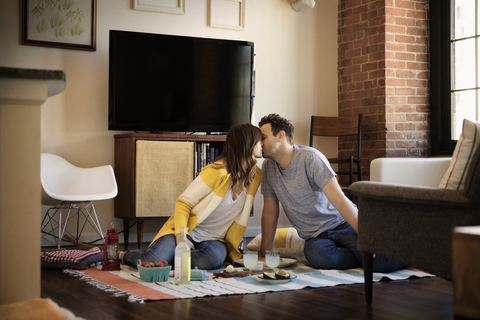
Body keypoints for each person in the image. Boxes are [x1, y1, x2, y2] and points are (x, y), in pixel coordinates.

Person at [258, 114, 403, 272]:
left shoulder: (311, 158)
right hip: (316, 238)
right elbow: (270, 212)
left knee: (381, 263)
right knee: (317, 256)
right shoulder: (268, 168)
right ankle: (362, 258)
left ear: (280, 136)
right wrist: (263, 254)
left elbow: (339, 199)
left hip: (342, 224)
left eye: (263, 137)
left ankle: (404, 247)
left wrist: (364, 236)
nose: (259, 143)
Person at [120, 123, 263, 270]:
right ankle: (124, 256)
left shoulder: (255, 176)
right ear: (247, 143)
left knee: (212, 260)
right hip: (186, 232)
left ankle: (170, 261)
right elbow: (183, 202)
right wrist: (181, 238)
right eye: (260, 140)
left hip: (214, 239)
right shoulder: (217, 171)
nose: (262, 144)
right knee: (152, 260)